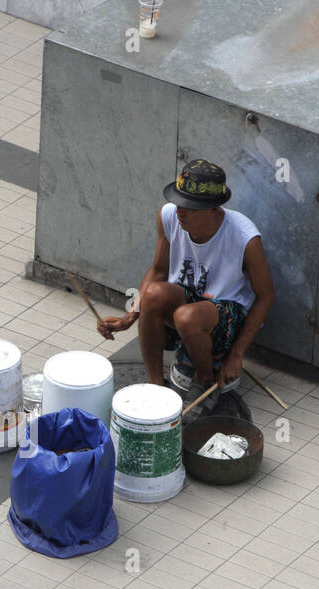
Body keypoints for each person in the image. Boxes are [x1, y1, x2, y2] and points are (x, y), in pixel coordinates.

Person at [99, 159, 275, 411]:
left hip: (225, 317)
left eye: (190, 208)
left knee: (186, 316)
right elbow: (158, 270)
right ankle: (155, 385)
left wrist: (237, 355)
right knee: (153, 294)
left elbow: (266, 296)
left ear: (214, 208)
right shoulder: (169, 215)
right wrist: (129, 317)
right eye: (179, 202)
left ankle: (204, 378)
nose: (181, 211)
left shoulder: (244, 237)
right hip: (187, 307)